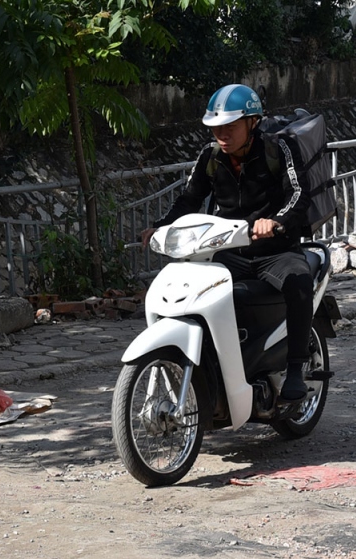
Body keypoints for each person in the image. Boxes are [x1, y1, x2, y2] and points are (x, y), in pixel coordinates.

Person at [139, 83, 314, 401]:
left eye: (230, 126)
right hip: (229, 251)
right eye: (216, 127)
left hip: (275, 250)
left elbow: (299, 194)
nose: (222, 134)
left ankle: (295, 368)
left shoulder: (279, 148)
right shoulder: (211, 157)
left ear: (252, 122)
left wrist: (275, 222)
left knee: (299, 282)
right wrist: (161, 227)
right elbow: (189, 199)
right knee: (192, 292)